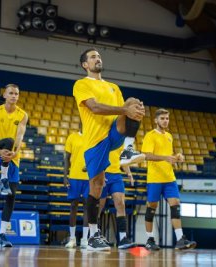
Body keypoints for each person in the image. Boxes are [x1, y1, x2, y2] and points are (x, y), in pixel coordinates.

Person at [73, 48, 145, 250]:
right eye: (92, 57)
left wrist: (133, 110)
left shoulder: (114, 87)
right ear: (85, 65)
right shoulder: (82, 84)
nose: (98, 59)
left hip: (113, 135)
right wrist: (125, 110)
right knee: (96, 186)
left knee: (134, 102)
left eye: (99, 56)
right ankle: (93, 234)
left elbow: (125, 112)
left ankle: (129, 148)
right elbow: (94, 107)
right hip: (95, 140)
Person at [141, 108, 196, 251]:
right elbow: (147, 155)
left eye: (167, 118)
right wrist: (166, 158)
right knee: (151, 206)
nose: (165, 121)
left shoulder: (169, 136)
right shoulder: (150, 136)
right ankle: (149, 239)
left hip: (169, 177)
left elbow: (168, 155)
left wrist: (177, 157)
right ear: (156, 120)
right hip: (155, 178)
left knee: (175, 203)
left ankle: (180, 239)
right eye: (162, 118)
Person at [0, 84, 28, 247]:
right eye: (11, 93)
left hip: (12, 157)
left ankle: (1, 236)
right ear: (4, 95)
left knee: (11, 196)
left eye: (16, 94)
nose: (14, 96)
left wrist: (15, 153)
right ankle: (2, 178)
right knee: (8, 140)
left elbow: (20, 136)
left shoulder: (22, 115)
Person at [99, 146, 138, 249]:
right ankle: (93, 234)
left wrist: (129, 173)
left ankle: (122, 239)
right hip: (102, 173)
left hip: (116, 175)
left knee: (120, 204)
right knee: (99, 206)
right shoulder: (103, 137)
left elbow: (122, 159)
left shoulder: (120, 141)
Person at [63, 125, 89, 249]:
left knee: (87, 208)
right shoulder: (72, 137)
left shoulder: (93, 137)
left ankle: (84, 239)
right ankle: (72, 238)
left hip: (89, 178)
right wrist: (65, 176)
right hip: (74, 176)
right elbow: (66, 158)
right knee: (73, 206)